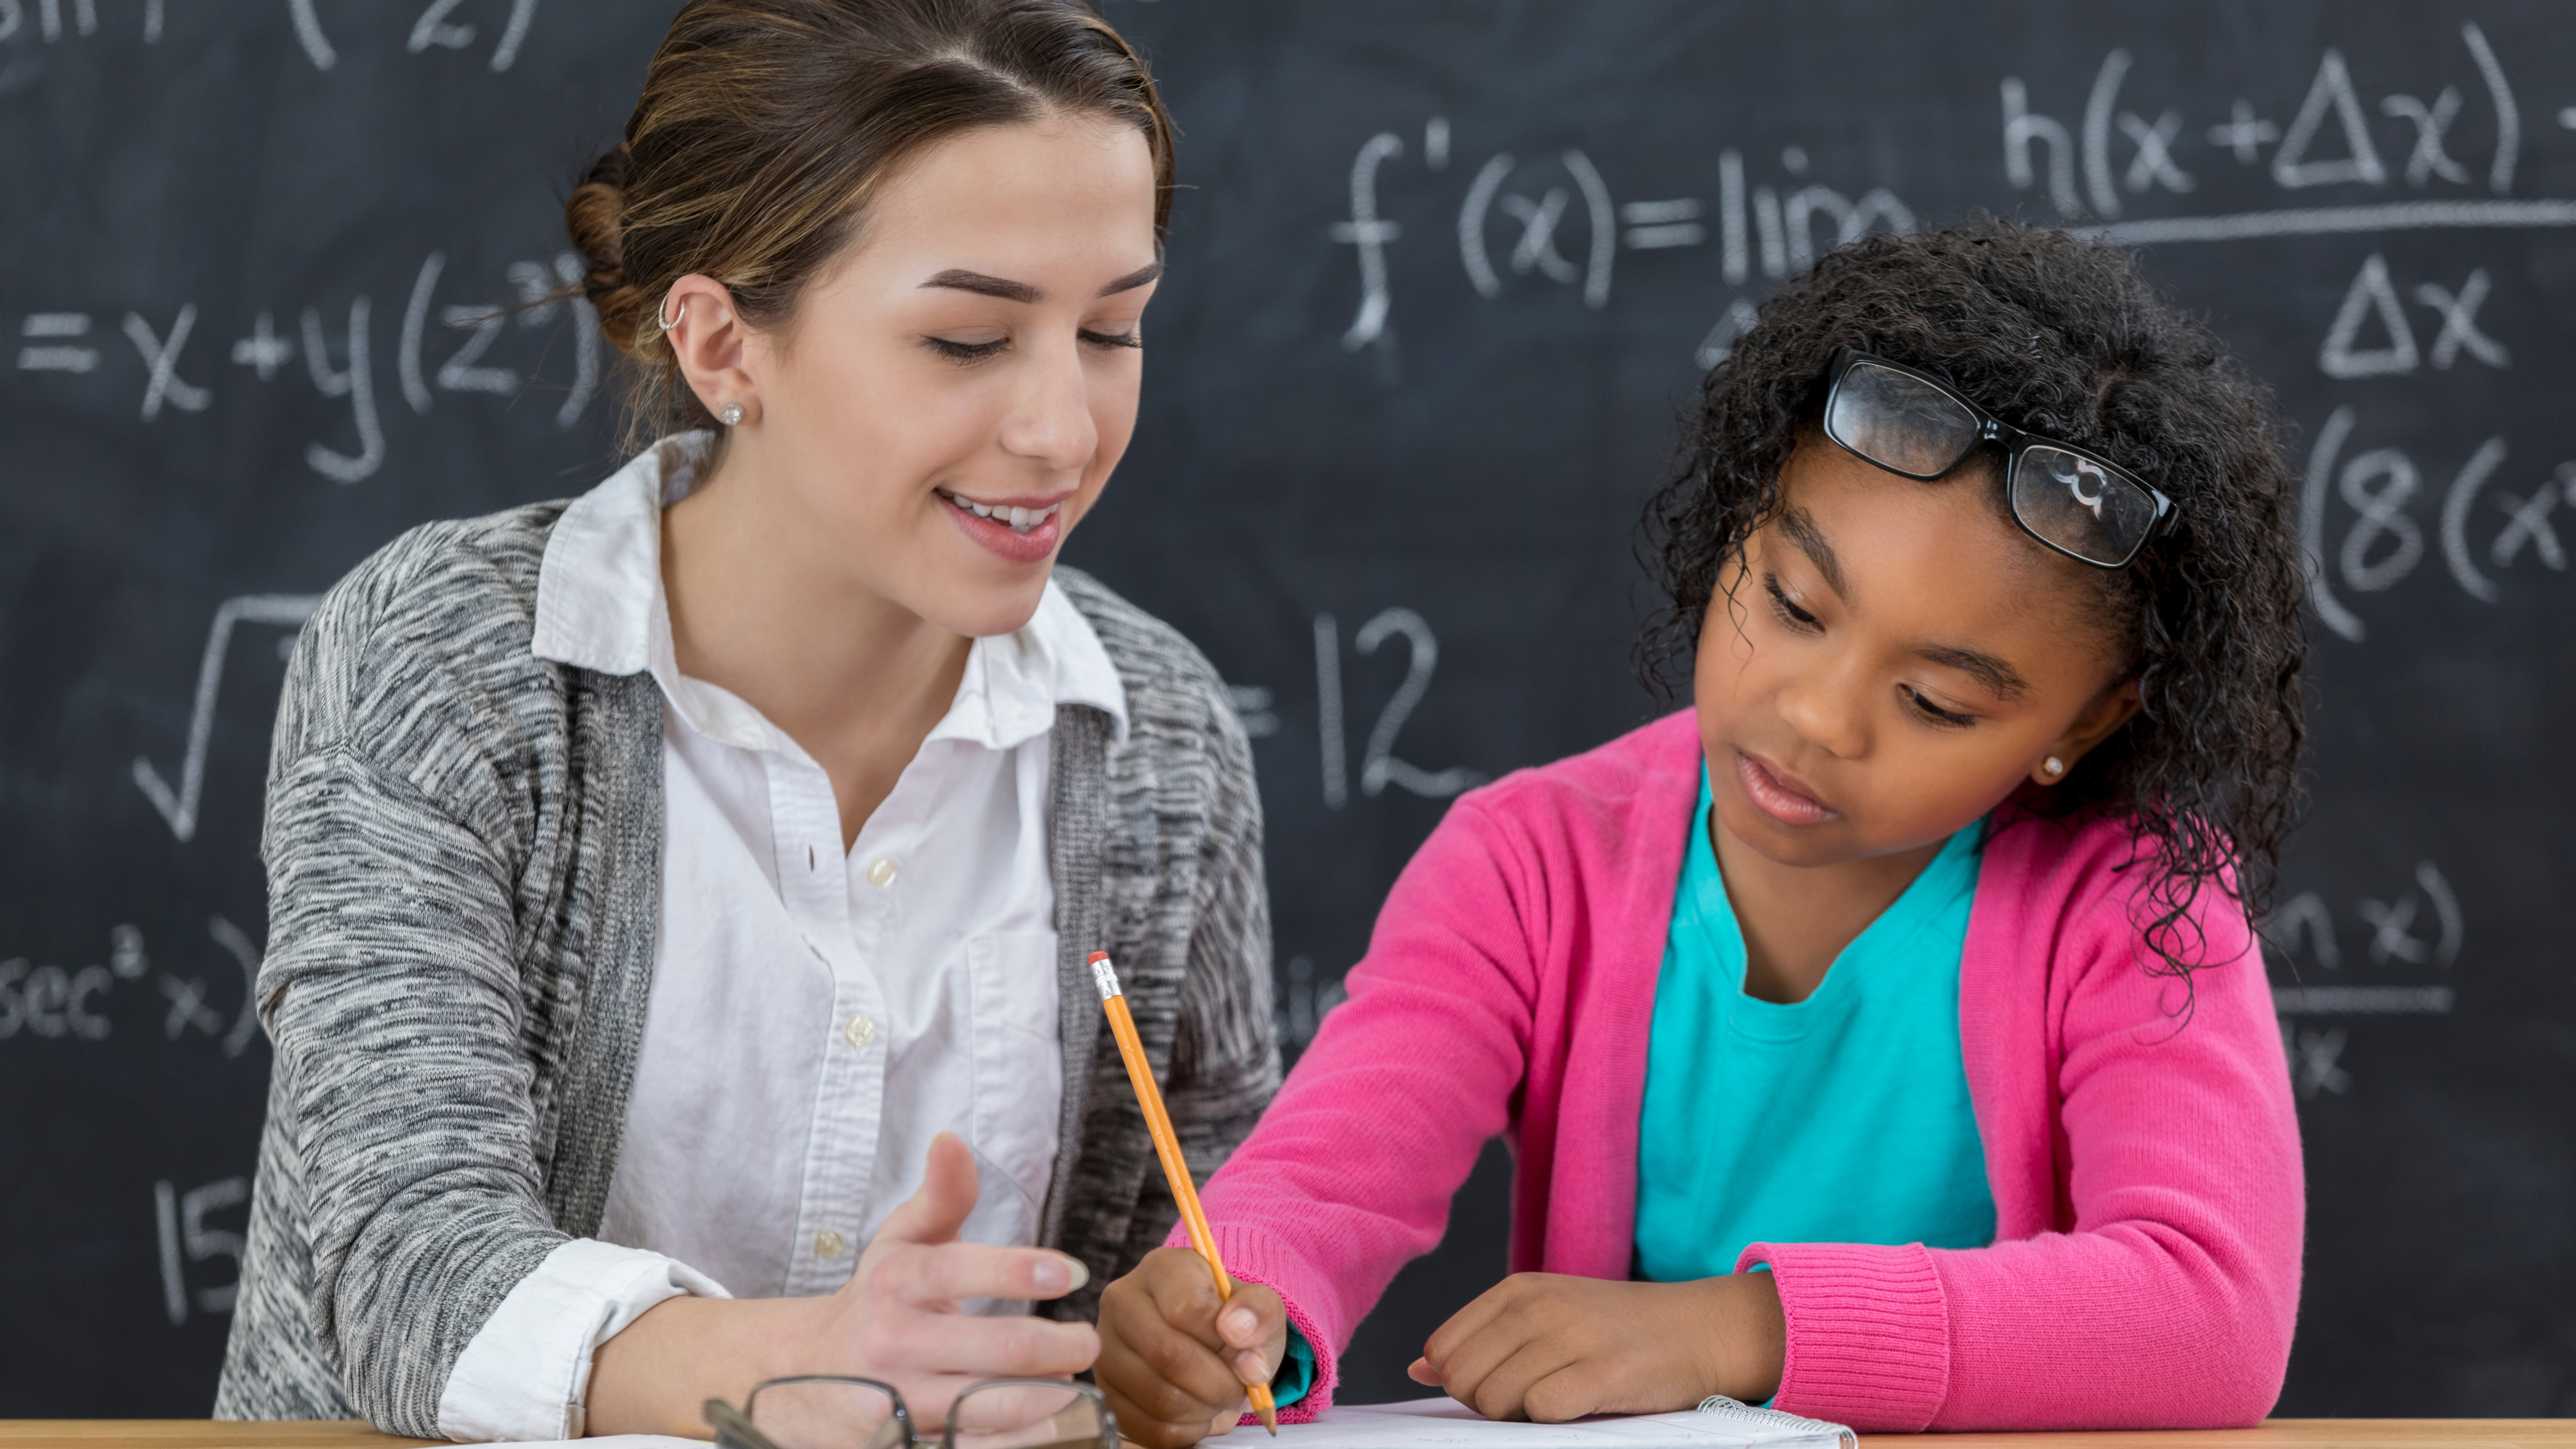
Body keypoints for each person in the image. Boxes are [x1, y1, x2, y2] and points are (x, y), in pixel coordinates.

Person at [213, 1, 1280, 1440]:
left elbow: (1199, 1251)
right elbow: (409, 1273)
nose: (1065, 430)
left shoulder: (1156, 736)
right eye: (969, 339)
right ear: (722, 345)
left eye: (1111, 330)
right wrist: (803, 1368)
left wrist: (1188, 1334)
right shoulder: (448, 662)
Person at [1094, 217, 2309, 1439]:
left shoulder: (2142, 907)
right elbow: (1326, 1177)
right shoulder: (1531, 866)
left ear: (2085, 725)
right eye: (1790, 602)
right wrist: (1236, 1296)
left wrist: (1739, 1329)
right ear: (1734, 524)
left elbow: (2211, 1316)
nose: (1819, 718)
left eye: (1937, 703)